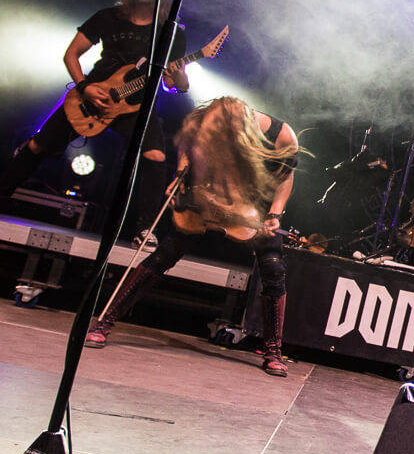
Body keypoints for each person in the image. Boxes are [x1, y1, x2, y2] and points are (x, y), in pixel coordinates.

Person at [84, 96, 300, 377]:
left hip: (253, 203)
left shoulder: (282, 135)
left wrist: (274, 214)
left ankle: (273, 350)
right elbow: (187, 144)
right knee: (166, 253)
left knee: (273, 267)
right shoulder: (209, 121)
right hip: (210, 194)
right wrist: (180, 174)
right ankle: (105, 322)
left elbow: (285, 177)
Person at [0, 0, 188, 245]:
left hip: (135, 107)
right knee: (38, 145)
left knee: (156, 156)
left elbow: (173, 84)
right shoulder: (108, 17)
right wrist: (85, 87)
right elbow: (71, 54)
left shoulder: (170, 33)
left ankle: (145, 229)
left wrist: (181, 78)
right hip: (92, 96)